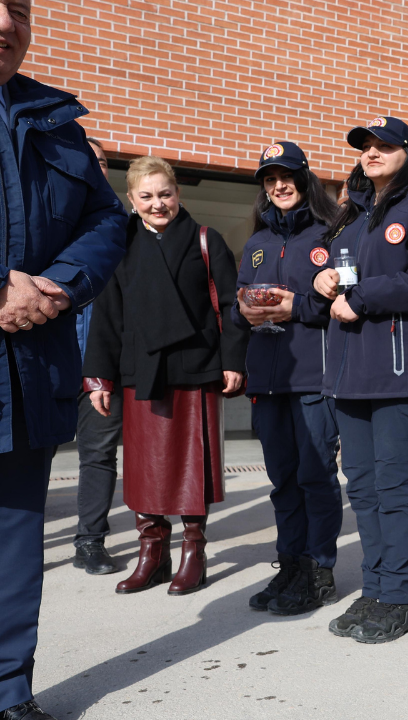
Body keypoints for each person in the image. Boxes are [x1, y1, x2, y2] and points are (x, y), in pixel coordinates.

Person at [0, 3, 130, 717]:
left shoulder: (58, 125)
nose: (4, 21)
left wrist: (59, 284)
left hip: (29, 377)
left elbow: (107, 220)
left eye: (18, 6)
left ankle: (9, 693)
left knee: (16, 554)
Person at [311, 116, 408, 644]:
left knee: (395, 488)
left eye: (384, 145)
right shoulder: (349, 218)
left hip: (402, 374)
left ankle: (400, 598)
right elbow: (336, 282)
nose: (372, 152)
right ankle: (374, 589)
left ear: (407, 152)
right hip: (352, 376)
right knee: (366, 489)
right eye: (365, 146)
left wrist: (362, 298)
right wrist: (321, 279)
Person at [82, 155, 248, 597]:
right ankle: (151, 553)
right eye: (147, 196)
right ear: (132, 201)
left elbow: (231, 307)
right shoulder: (121, 245)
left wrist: (234, 360)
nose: (159, 204)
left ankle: (194, 551)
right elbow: (107, 316)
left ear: (179, 194)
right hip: (141, 370)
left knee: (192, 463)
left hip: (194, 366)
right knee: (143, 467)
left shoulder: (205, 240)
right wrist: (99, 376)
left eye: (166, 194)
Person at [232, 141, 344, 615]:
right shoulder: (256, 243)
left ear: (304, 180)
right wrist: (243, 309)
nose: (279, 185)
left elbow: (339, 304)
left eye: (288, 176)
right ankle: (291, 564)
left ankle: (319, 570)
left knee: (315, 478)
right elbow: (238, 306)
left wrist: (293, 305)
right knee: (282, 481)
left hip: (312, 378)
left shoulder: (327, 235)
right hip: (267, 379)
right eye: (270, 178)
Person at [71, 137, 125, 575]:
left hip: (102, 366)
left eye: (103, 161)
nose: (95, 167)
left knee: (99, 454)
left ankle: (90, 542)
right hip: (43, 360)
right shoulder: (48, 218)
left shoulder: (120, 226)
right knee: (23, 457)